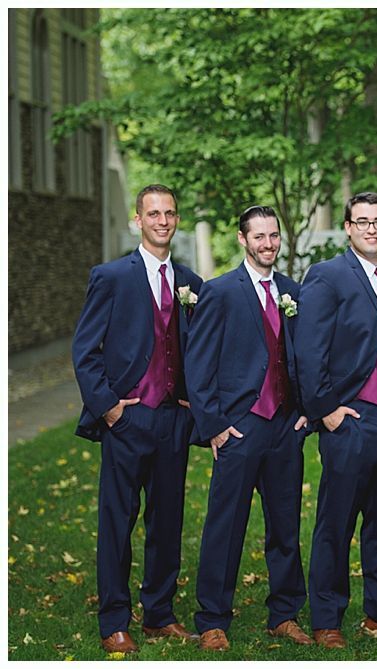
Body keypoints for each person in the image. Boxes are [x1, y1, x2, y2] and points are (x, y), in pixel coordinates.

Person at [72, 184, 202, 654]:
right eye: (153, 213)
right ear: (138, 219)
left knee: (166, 523)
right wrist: (108, 407)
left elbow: (198, 351)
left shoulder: (191, 282)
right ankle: (114, 620)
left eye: (169, 212)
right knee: (118, 521)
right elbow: (85, 351)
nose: (162, 220)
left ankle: (160, 615)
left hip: (172, 422)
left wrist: (192, 401)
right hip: (127, 421)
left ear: (177, 218)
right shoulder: (110, 277)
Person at [295, 192, 377, 649]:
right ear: (348, 227)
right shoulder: (327, 277)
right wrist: (326, 411)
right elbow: (308, 351)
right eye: (362, 221)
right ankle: (327, 616)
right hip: (351, 418)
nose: (371, 228)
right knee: (337, 521)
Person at [184, 205, 312, 651]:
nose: (268, 244)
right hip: (239, 427)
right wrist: (215, 425)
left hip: (283, 428)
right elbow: (197, 364)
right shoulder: (219, 291)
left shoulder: (293, 291)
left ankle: (285, 613)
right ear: (242, 239)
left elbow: (306, 358)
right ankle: (212, 619)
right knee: (226, 524)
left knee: (285, 526)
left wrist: (306, 412)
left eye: (274, 235)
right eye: (259, 236)